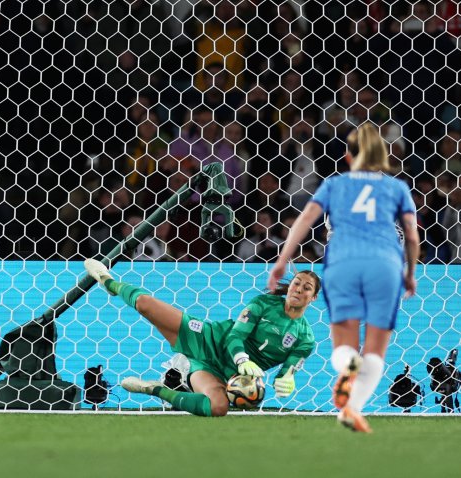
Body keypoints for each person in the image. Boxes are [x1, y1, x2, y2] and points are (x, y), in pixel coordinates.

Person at [268, 123, 420, 433]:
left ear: (348, 158)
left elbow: (304, 221)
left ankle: (347, 365)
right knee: (375, 349)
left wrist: (283, 261)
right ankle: (352, 408)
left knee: (345, 344)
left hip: (342, 262)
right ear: (384, 157)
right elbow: (413, 238)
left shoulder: (334, 185)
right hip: (385, 264)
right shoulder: (396, 188)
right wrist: (410, 273)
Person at [84, 259, 320, 417]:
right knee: (146, 304)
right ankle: (108, 281)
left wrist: (286, 381)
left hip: (224, 374)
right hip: (208, 338)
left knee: (217, 408)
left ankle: (156, 389)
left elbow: (287, 372)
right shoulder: (264, 303)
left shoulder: (305, 338)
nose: (298, 289)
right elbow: (236, 335)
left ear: (314, 298)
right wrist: (242, 359)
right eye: (296, 283)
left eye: (306, 287)